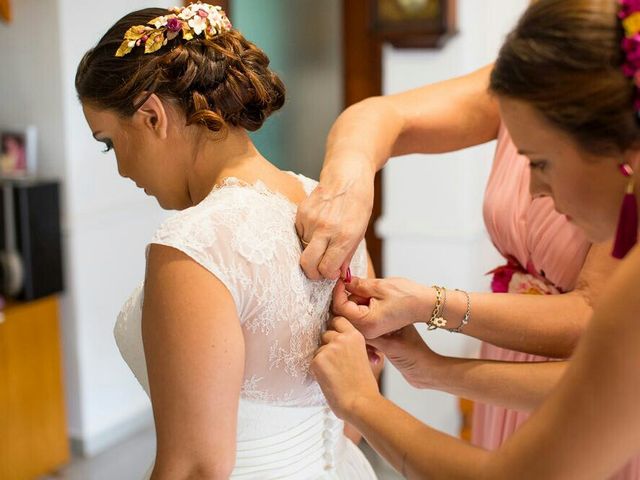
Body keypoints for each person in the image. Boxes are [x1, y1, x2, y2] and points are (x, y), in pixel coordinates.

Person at [295, 0, 631, 474]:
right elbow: (381, 116)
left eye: (540, 162)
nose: (534, 189)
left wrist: (362, 402)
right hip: (524, 377)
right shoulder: (537, 77)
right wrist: (350, 187)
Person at [75, 3, 380, 478]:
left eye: (110, 142)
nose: (122, 170)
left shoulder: (194, 246)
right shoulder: (334, 212)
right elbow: (358, 401)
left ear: (152, 116)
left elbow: (196, 468)